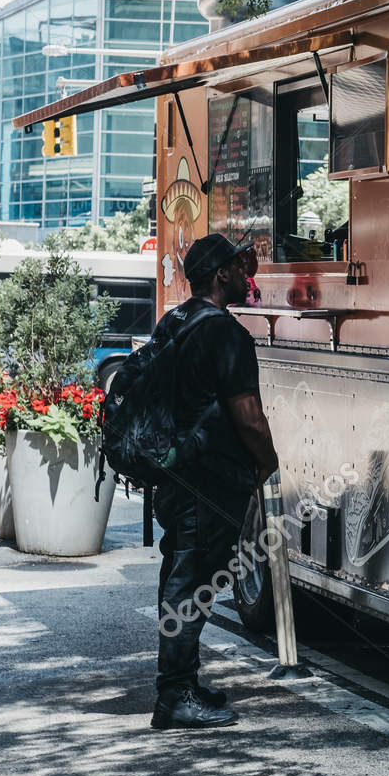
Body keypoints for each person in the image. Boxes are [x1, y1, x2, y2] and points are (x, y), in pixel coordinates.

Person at [150, 233, 281, 730]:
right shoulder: (224, 334)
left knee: (185, 579)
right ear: (220, 275)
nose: (244, 272)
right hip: (207, 483)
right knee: (191, 586)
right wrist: (268, 460)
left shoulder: (174, 321)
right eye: (235, 265)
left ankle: (182, 683)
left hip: (176, 477)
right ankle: (174, 696)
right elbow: (248, 417)